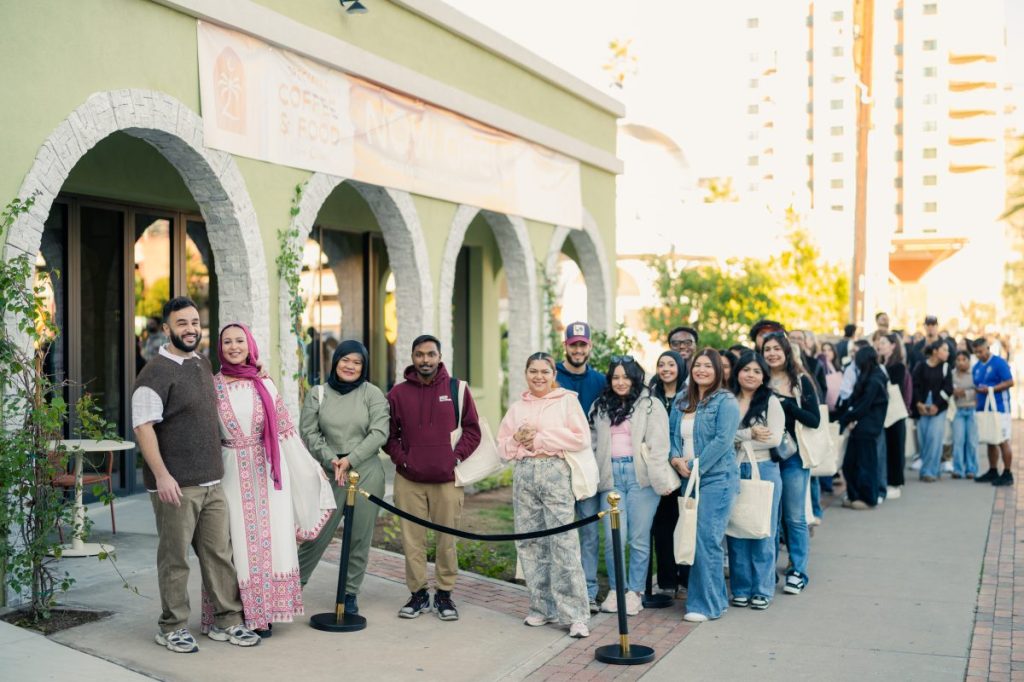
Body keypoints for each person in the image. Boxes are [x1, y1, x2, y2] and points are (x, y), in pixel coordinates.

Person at [132, 297, 260, 653]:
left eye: (194, 322)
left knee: (219, 554)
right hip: (176, 485)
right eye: (182, 323)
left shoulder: (202, 363)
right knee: (175, 558)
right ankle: (171, 627)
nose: (190, 329)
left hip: (211, 482)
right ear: (166, 329)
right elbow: (143, 428)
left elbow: (234, 379)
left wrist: (257, 371)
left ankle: (227, 622)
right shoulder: (154, 374)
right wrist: (162, 476)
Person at [213, 323, 335, 636]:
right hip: (229, 473)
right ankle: (236, 613)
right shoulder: (212, 386)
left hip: (268, 472)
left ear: (249, 344)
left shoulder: (264, 384)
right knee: (235, 542)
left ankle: (264, 613)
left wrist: (309, 470)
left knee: (269, 540)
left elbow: (285, 432)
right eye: (227, 342)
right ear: (220, 347)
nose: (234, 346)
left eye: (240, 340)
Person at [384, 335, 482, 621]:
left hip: (447, 479)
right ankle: (417, 594)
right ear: (412, 357)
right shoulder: (397, 393)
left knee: (446, 539)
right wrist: (403, 458)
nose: (425, 360)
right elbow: (389, 436)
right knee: (412, 540)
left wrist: (455, 458)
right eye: (419, 354)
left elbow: (472, 430)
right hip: (408, 479)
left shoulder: (457, 389)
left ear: (440, 356)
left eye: (430, 354)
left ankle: (444, 594)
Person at [497, 352, 591, 638]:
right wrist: (515, 439)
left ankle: (575, 614)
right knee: (529, 542)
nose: (538, 376)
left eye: (544, 372)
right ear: (526, 373)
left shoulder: (567, 401)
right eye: (533, 371)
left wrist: (540, 439)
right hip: (524, 474)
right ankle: (541, 607)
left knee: (563, 541)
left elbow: (580, 437)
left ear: (554, 375)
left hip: (554, 472)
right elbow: (501, 449)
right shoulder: (517, 407)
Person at [298, 340, 390, 615]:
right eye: (345, 360)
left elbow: (379, 432)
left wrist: (351, 459)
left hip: (365, 473)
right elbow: (309, 432)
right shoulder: (319, 394)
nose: (350, 366)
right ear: (335, 361)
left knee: (359, 537)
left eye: (357, 362)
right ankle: (290, 588)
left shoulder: (372, 394)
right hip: (330, 474)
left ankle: (349, 594)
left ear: (363, 366)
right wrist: (331, 459)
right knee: (316, 535)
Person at [590, 356, 671, 616]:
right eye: (615, 377)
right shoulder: (600, 406)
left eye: (626, 376)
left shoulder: (650, 405)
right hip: (611, 476)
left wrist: (658, 478)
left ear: (636, 378)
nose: (621, 382)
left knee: (638, 538)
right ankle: (616, 589)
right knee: (615, 537)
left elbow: (659, 445)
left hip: (640, 478)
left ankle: (634, 591)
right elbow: (591, 443)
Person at [670, 349, 740, 622]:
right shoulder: (681, 400)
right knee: (695, 537)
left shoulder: (726, 402)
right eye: (697, 365)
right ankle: (717, 600)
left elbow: (723, 441)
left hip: (717, 478)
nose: (701, 370)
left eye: (707, 366)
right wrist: (676, 459)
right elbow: (673, 435)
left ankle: (705, 605)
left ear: (718, 371)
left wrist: (696, 465)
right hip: (688, 477)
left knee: (706, 539)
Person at [555, 321, 608, 612]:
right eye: (573, 344)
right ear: (566, 345)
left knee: (588, 531)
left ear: (590, 347)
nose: (578, 349)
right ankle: (561, 590)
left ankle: (588, 591)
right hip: (558, 464)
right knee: (560, 532)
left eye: (582, 344)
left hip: (587, 465)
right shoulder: (553, 377)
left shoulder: (600, 381)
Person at [761, 331, 818, 595]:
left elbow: (814, 419)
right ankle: (766, 570)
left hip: (793, 456)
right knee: (769, 518)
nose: (771, 353)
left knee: (794, 517)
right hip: (764, 456)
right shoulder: (757, 379)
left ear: (786, 352)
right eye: (767, 349)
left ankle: (798, 570)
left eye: (776, 349)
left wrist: (785, 405)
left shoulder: (801, 381)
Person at [727, 352, 783, 610]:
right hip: (734, 469)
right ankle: (740, 587)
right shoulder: (728, 400)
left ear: (763, 376)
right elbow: (720, 436)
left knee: (763, 529)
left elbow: (774, 439)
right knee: (736, 529)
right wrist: (749, 434)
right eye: (746, 369)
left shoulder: (771, 401)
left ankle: (762, 588)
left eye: (757, 371)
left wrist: (737, 436)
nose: (751, 374)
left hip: (764, 469)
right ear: (738, 372)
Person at [649, 350, 688, 597]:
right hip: (657, 470)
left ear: (680, 367)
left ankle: (684, 580)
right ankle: (666, 582)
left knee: (683, 525)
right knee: (661, 527)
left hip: (683, 467)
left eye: (671, 364)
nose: (665, 369)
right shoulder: (650, 396)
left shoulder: (689, 396)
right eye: (661, 364)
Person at [837, 347, 889, 509]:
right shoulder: (872, 376)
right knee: (851, 464)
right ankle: (855, 495)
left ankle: (867, 498)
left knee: (864, 465)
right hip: (863, 427)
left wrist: (845, 419)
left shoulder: (875, 380)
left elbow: (863, 406)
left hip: (868, 428)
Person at [972, 338, 1015, 487]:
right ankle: (993, 470)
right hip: (984, 409)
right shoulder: (976, 367)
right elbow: (976, 385)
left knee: (1003, 440)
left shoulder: (999, 363)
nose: (979, 354)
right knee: (990, 440)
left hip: (1000, 408)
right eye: (976, 352)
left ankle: (1008, 473)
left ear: (988, 348)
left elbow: (1010, 381)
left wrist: (992, 389)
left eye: (981, 351)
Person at [912, 340, 954, 482]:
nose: (947, 353)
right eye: (944, 350)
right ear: (935, 351)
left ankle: (930, 472)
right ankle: (929, 469)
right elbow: (915, 385)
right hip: (922, 407)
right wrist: (919, 404)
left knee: (934, 438)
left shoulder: (946, 367)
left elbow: (948, 389)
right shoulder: (921, 366)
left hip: (939, 408)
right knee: (923, 439)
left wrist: (936, 405)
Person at [876, 333, 911, 499]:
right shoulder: (881, 363)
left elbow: (893, 386)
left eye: (883, 342)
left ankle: (895, 483)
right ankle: (887, 480)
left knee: (896, 447)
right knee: (887, 447)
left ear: (892, 346)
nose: (880, 345)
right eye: (879, 342)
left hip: (895, 413)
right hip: (884, 413)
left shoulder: (897, 366)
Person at [951, 350, 979, 480]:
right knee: (958, 441)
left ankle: (971, 469)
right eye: (958, 360)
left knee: (971, 442)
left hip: (972, 409)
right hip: (958, 410)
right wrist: (954, 392)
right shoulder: (952, 374)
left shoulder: (975, 373)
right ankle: (958, 469)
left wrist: (965, 393)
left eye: (964, 360)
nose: (961, 362)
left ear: (969, 360)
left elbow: (978, 390)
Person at [818, 342, 843, 412]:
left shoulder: (838, 366)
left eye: (829, 350)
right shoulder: (821, 366)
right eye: (824, 350)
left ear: (834, 352)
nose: (826, 353)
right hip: (828, 407)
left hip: (840, 405)